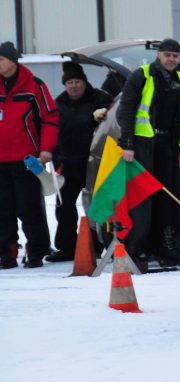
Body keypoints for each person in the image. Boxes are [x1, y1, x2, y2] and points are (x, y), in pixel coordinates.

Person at [116, 38, 180, 270]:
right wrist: (127, 144)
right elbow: (125, 110)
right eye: (167, 54)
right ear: (158, 55)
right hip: (142, 146)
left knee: (167, 198)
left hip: (168, 146)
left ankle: (166, 247)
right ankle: (138, 250)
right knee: (142, 201)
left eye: (175, 55)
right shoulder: (142, 76)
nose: (171, 59)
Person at [0, 41, 59, 268]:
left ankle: (36, 251)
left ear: (12, 61)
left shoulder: (34, 85)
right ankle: (6, 253)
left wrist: (46, 149)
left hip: (27, 159)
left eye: (1, 59)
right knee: (3, 210)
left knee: (29, 208)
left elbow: (50, 118)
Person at [47, 63, 113, 262]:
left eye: (77, 82)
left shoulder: (100, 99)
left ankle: (99, 245)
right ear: (65, 85)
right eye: (69, 82)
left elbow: (113, 122)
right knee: (63, 206)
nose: (74, 86)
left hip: (93, 163)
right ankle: (67, 248)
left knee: (96, 206)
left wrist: (100, 117)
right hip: (67, 164)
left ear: (84, 83)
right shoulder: (58, 104)